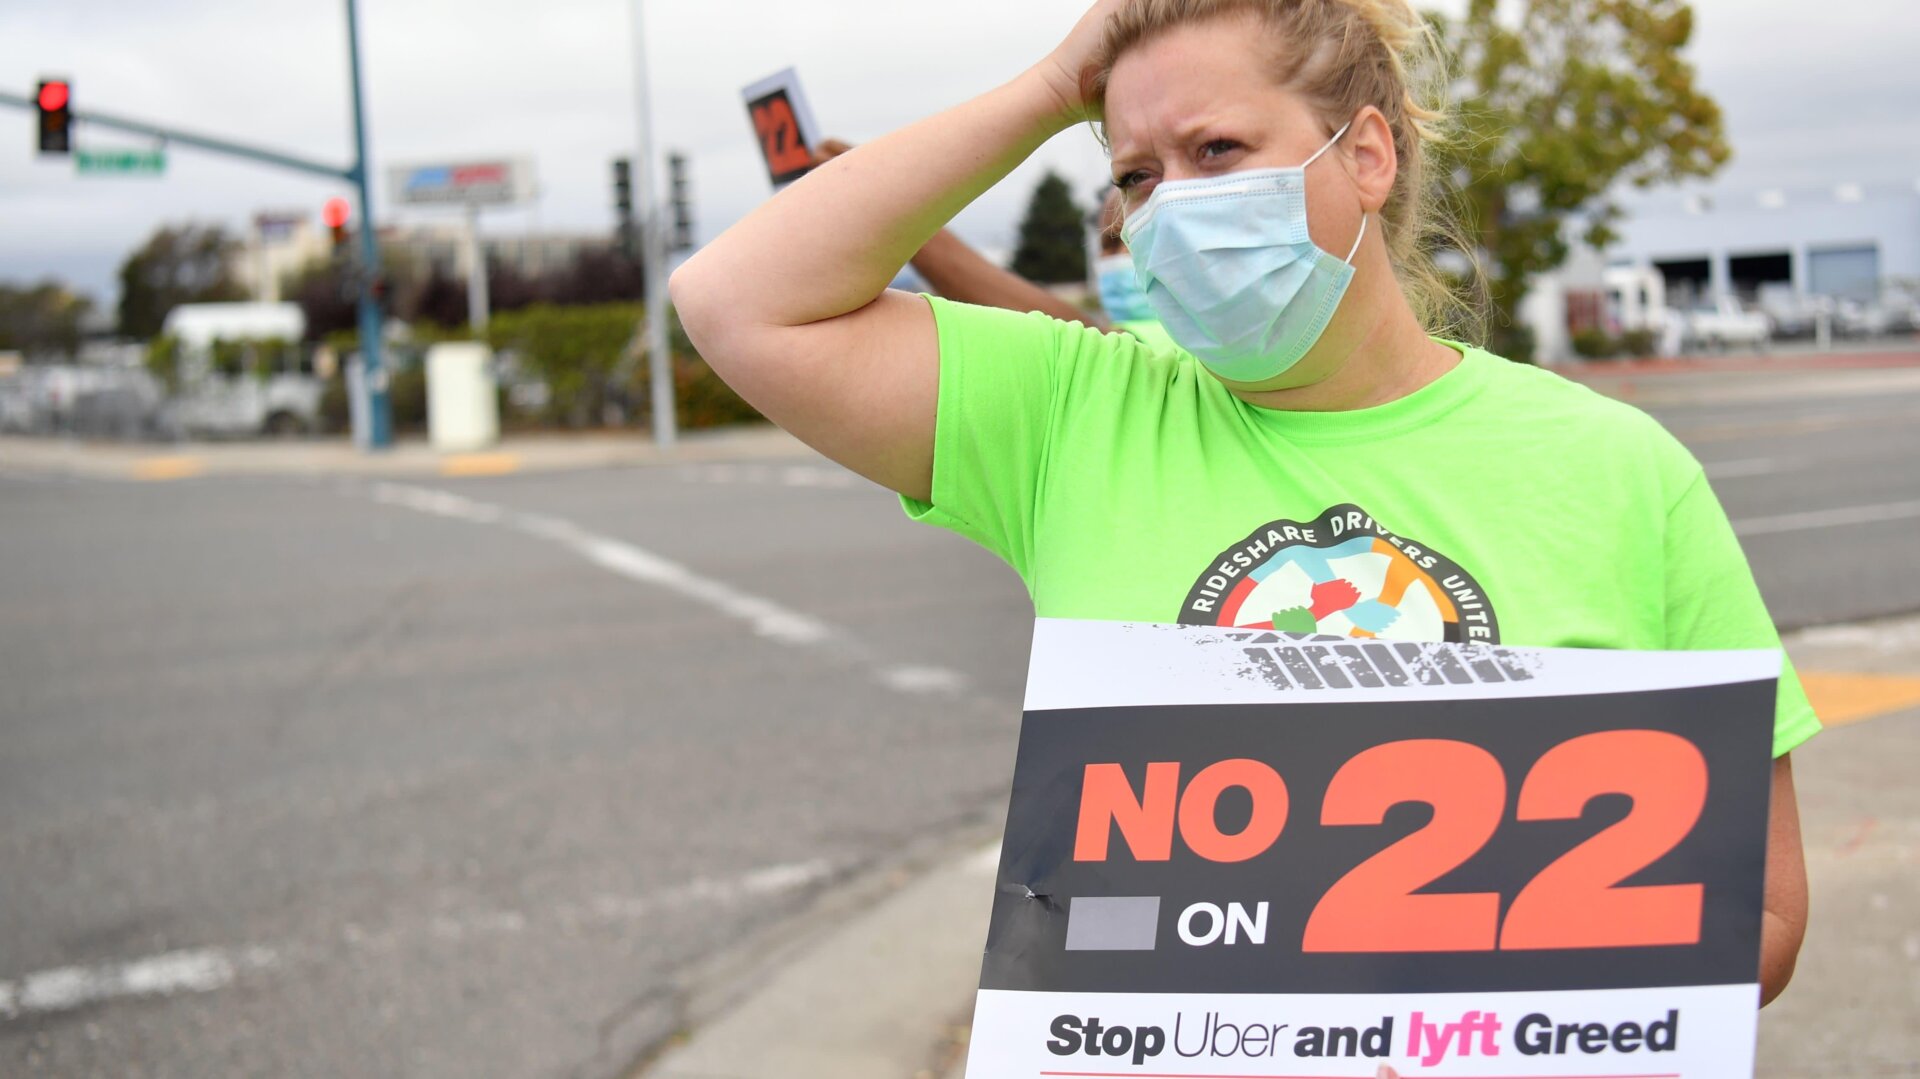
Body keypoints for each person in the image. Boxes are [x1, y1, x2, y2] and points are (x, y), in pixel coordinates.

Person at [672, 0, 1812, 1006]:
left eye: (1219, 149)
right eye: (1135, 174)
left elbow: (1758, 917)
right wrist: (1046, 88)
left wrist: (1438, 998)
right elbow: (737, 302)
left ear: (1367, 154)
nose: (1171, 206)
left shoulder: (1621, 468)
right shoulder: (1078, 418)